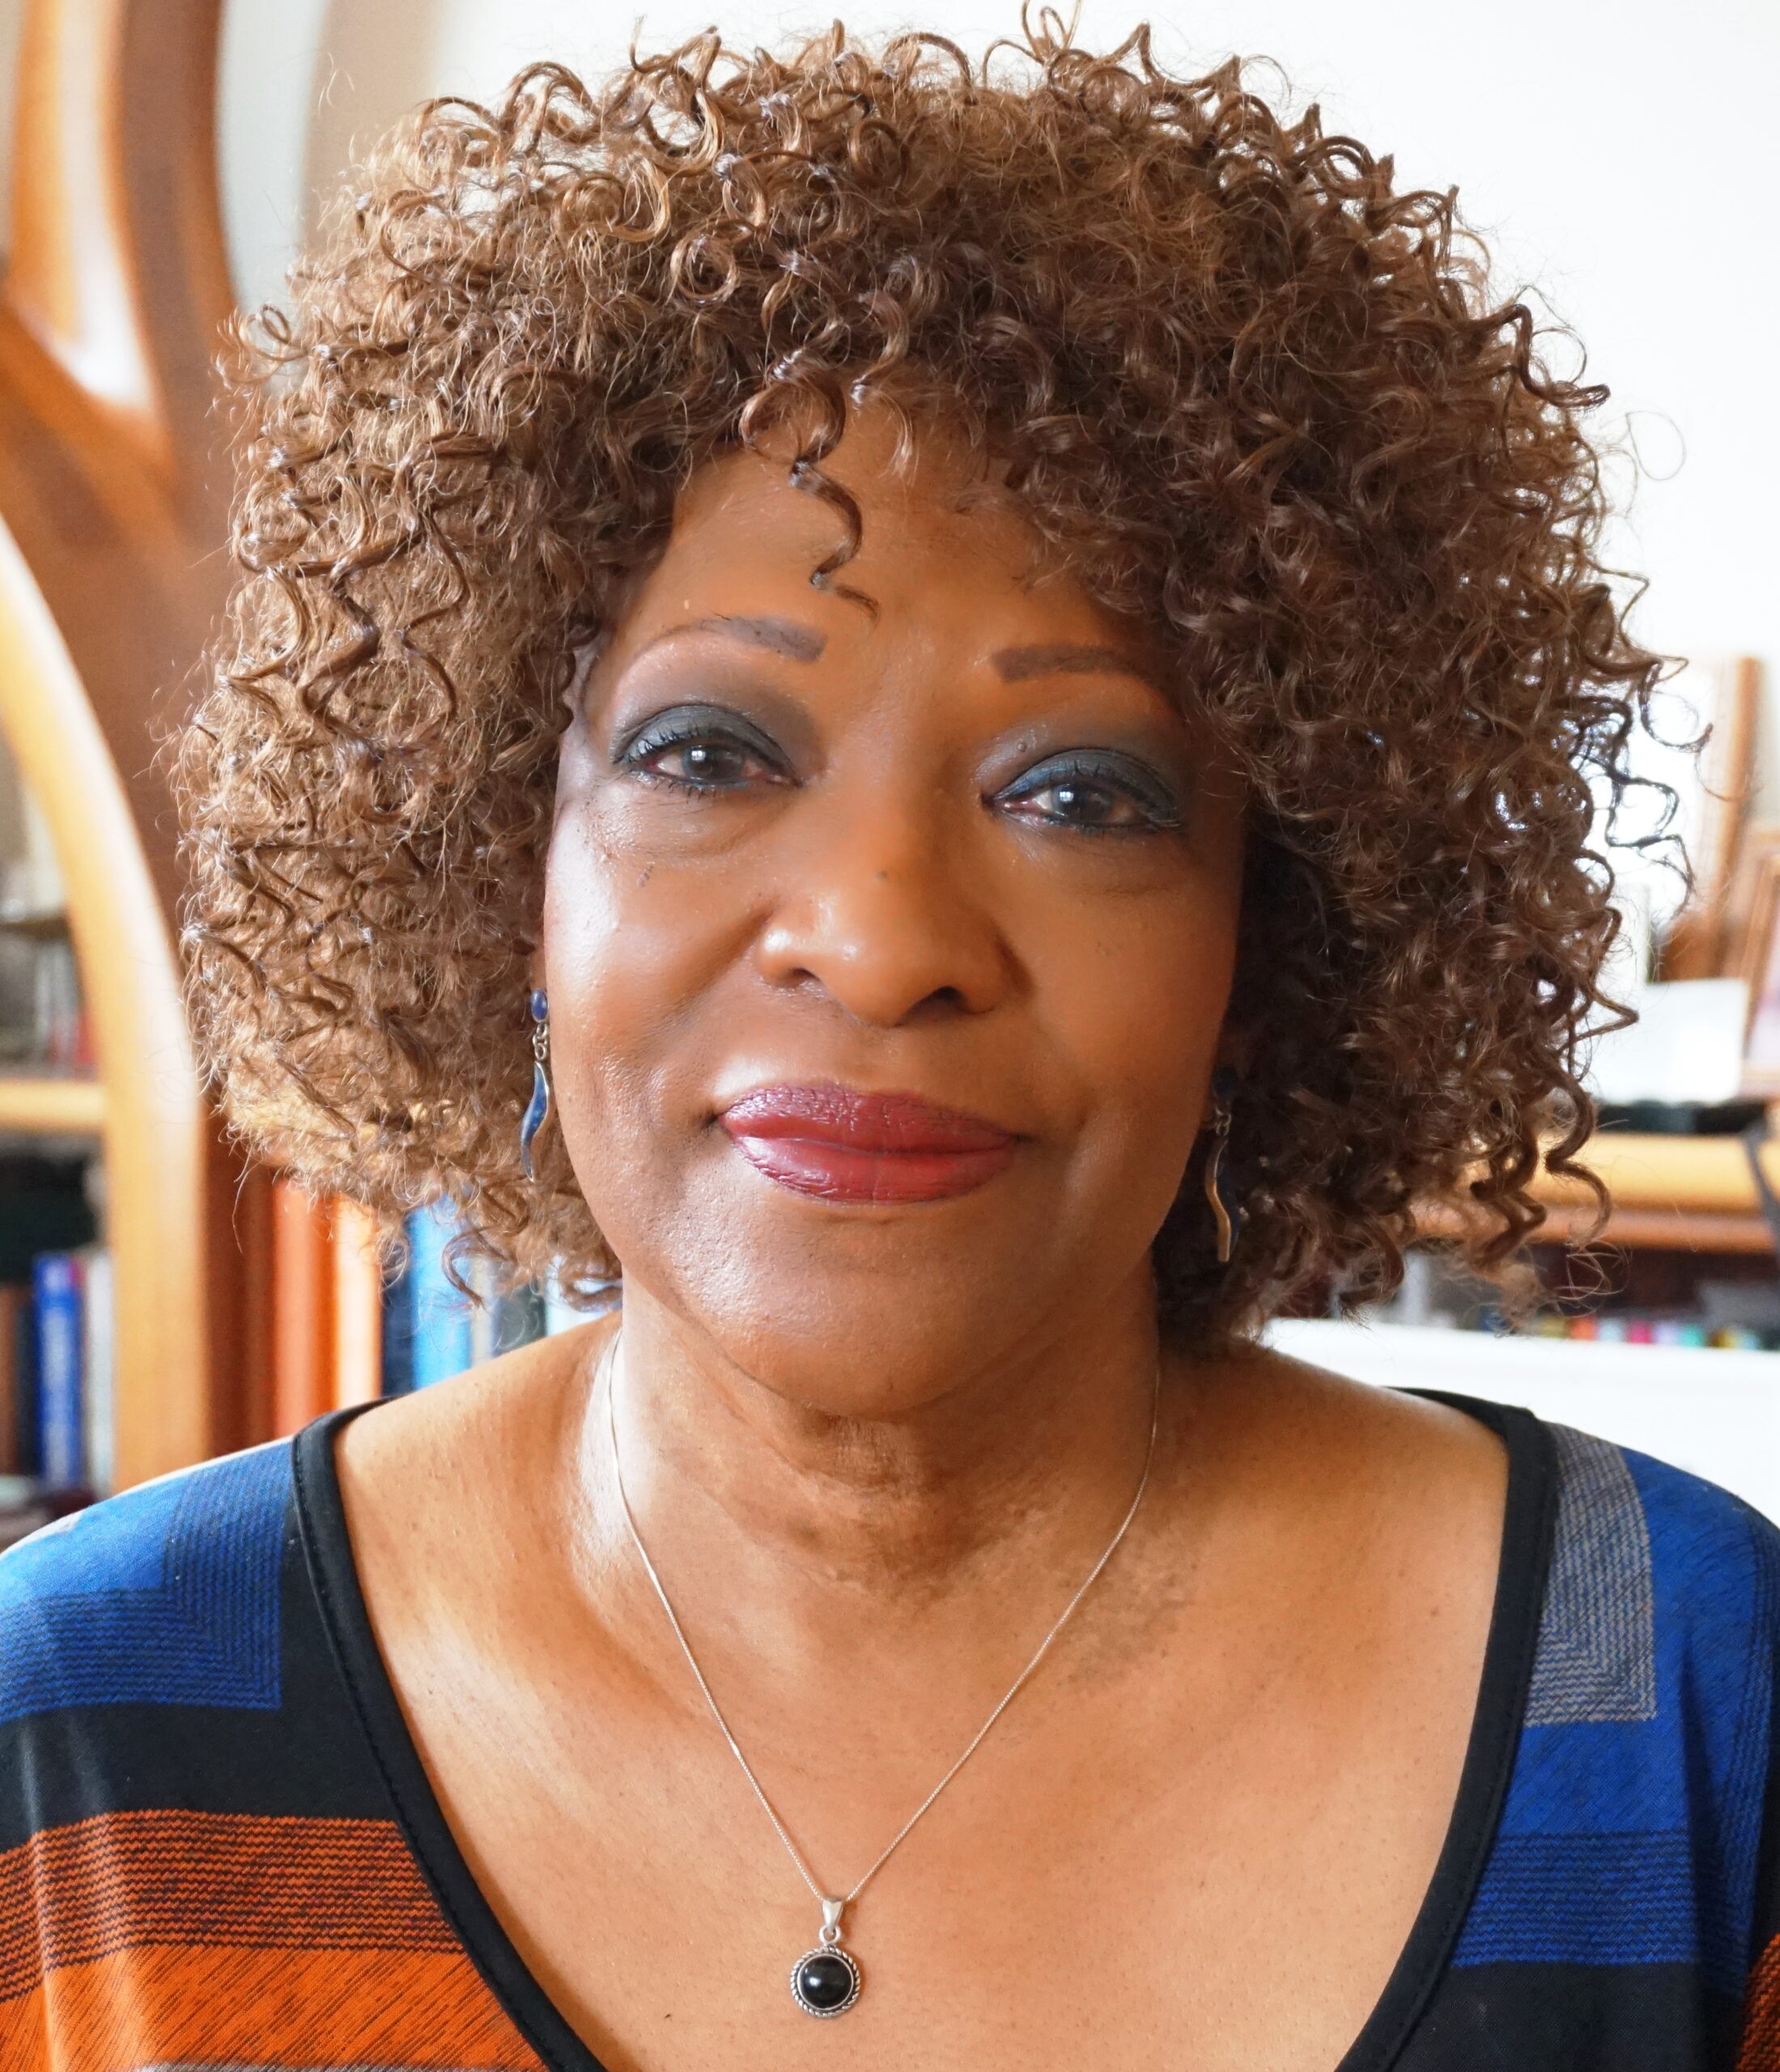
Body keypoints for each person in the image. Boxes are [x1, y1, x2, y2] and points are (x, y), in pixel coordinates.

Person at [3, 19, 1777, 2071]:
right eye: (706, 748)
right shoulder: (91, 1753)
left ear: (1268, 928)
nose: (880, 936)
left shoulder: (1681, 1706)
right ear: (502, 856)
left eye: (1081, 789)